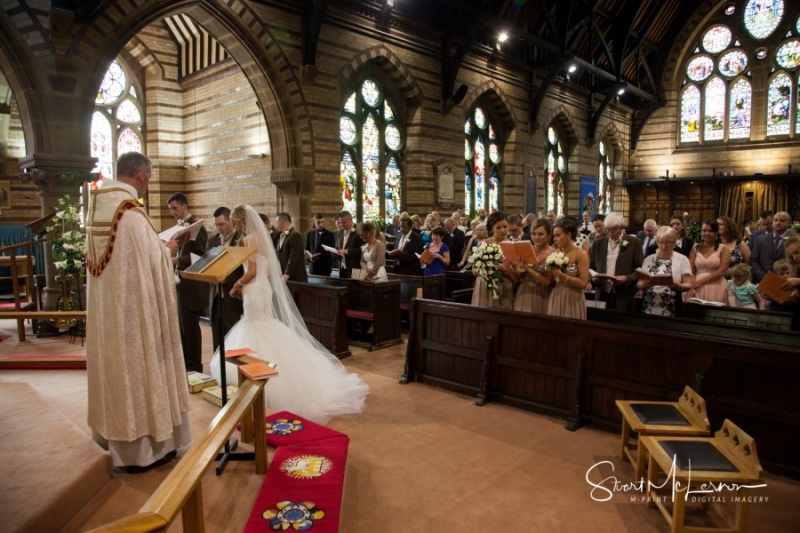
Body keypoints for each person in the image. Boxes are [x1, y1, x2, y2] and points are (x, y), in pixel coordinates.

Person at [210, 205, 369, 423]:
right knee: (264, 328)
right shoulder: (263, 237)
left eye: (235, 223)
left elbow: (252, 271)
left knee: (256, 328)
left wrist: (237, 284)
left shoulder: (248, 240)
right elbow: (263, 270)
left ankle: (260, 384)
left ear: (241, 222)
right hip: (261, 289)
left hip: (255, 290)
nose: (235, 227)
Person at [85, 152, 191, 470]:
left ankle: (116, 440)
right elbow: (150, 262)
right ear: (142, 176)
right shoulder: (129, 213)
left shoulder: (99, 209)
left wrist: (157, 248)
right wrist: (168, 250)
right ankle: (148, 449)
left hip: (110, 318)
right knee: (140, 369)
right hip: (134, 320)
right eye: (151, 177)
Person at [167, 191, 209, 373]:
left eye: (175, 208)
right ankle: (185, 363)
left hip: (192, 285)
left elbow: (201, 255)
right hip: (181, 283)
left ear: (185, 206)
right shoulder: (180, 227)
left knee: (191, 327)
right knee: (183, 326)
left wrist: (177, 261)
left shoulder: (197, 227)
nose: (173, 212)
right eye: (170, 209)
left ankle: (195, 366)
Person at [589, 212, 644, 313]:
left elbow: (640, 269)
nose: (610, 233)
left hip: (623, 294)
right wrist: (594, 278)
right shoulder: (598, 243)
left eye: (614, 229)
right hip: (602, 292)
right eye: (608, 229)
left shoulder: (634, 242)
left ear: (622, 227)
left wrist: (627, 278)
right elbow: (592, 267)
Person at [208, 206, 244, 352]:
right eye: (216, 225)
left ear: (230, 221)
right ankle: (218, 370)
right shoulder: (212, 241)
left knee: (234, 336)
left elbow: (244, 268)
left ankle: (233, 372)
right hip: (216, 295)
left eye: (222, 224)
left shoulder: (240, 240)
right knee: (217, 338)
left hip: (232, 294)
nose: (219, 228)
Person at [638, 226, 693, 316]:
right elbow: (639, 283)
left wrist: (676, 285)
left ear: (674, 242)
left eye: (668, 243)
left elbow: (688, 284)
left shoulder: (682, 259)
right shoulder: (649, 259)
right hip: (649, 306)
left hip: (671, 306)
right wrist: (646, 284)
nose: (664, 247)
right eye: (661, 242)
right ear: (657, 242)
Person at [546, 218, 590, 320]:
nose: (554, 239)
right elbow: (550, 278)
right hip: (556, 295)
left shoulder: (581, 254)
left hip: (573, 297)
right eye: (554, 236)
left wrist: (562, 276)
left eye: (558, 235)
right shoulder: (555, 252)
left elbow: (583, 283)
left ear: (568, 235)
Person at [471, 211, 515, 309]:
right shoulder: (483, 244)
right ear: (492, 228)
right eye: (498, 228)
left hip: (503, 286)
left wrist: (507, 270)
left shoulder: (512, 246)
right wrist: (498, 266)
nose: (503, 230)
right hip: (484, 285)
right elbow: (474, 271)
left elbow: (515, 277)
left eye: (505, 226)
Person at [513, 217, 555, 315]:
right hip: (524, 291)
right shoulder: (526, 249)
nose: (536, 237)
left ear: (548, 235)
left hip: (542, 294)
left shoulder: (553, 254)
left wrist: (528, 268)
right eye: (534, 234)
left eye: (540, 234)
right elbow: (518, 277)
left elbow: (547, 282)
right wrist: (517, 268)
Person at [688, 219, 730, 304]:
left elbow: (722, 271)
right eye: (704, 230)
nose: (706, 233)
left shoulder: (723, 248)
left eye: (710, 231)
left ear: (716, 233)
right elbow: (691, 270)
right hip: (696, 286)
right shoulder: (695, 248)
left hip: (716, 285)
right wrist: (693, 285)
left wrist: (699, 282)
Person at [749, 211, 793, 283]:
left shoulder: (795, 239)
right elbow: (753, 261)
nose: (778, 223)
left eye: (782, 220)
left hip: (787, 282)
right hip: (763, 281)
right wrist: (765, 277)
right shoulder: (761, 239)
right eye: (776, 220)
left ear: (789, 223)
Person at [273, 212, 308, 282]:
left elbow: (294, 256)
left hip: (294, 277)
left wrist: (287, 274)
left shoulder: (295, 235)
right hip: (283, 274)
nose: (276, 225)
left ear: (281, 222)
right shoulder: (281, 235)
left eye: (277, 222)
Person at [336, 210, 363, 278]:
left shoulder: (359, 230)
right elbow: (338, 247)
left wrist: (346, 251)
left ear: (350, 220)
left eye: (344, 222)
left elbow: (363, 249)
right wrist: (335, 252)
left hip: (354, 267)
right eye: (340, 222)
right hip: (342, 267)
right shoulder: (340, 232)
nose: (341, 225)